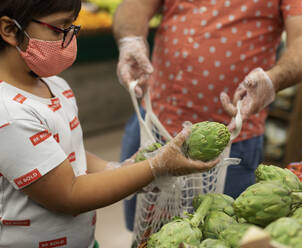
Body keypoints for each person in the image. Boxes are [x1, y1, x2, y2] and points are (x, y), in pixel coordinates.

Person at [0, 1, 219, 247]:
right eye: (58, 30)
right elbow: (68, 193)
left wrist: (118, 168)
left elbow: (72, 155)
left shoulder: (56, 85)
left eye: (72, 29)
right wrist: (154, 167)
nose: (69, 42)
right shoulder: (9, 113)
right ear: (9, 29)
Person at [114, 0, 302, 231]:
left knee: (216, 234)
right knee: (145, 233)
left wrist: (274, 79)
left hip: (231, 143)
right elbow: (135, 6)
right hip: (153, 124)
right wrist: (130, 40)